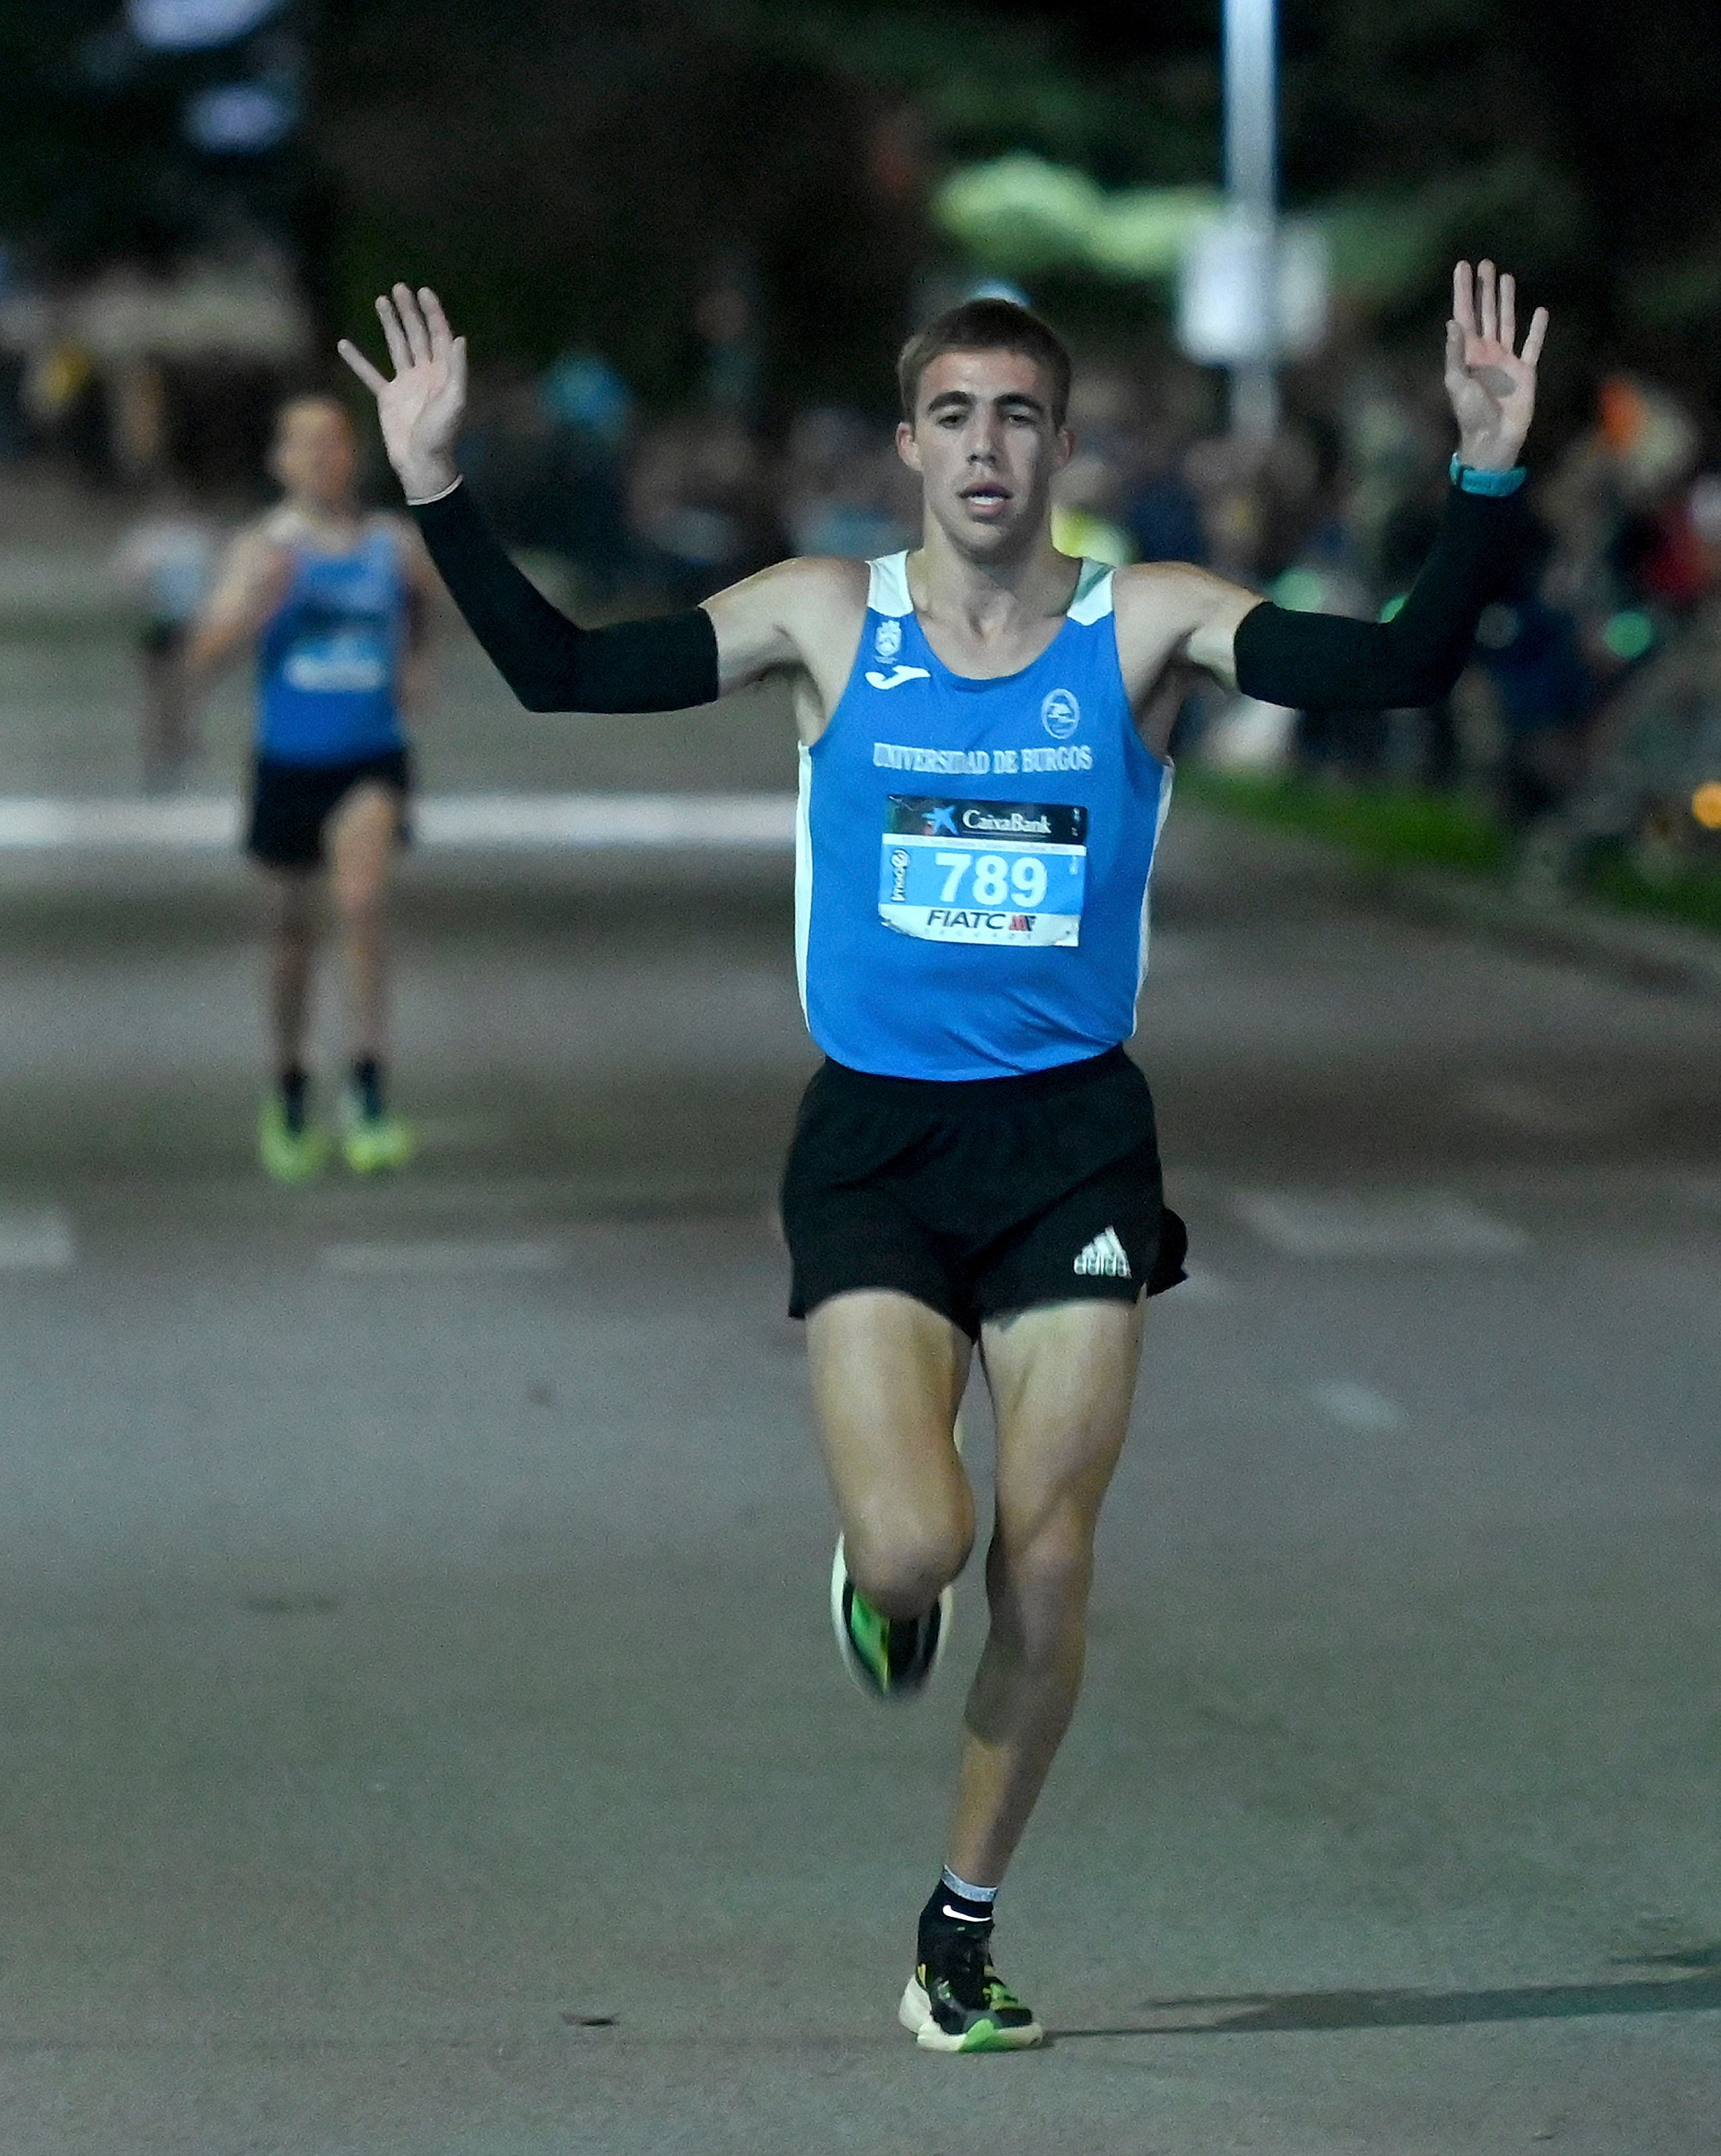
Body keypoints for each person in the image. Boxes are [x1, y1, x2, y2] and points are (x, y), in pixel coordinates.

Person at [340, 263, 1546, 2052]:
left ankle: (956, 1934)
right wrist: (436, 485)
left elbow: (1392, 665)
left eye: (1021, 416)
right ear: (908, 444)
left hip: (1070, 1144)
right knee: (923, 1549)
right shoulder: (828, 617)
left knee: (1046, 1567)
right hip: (878, 1147)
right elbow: (565, 671)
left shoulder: (1141, 626)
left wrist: (1485, 478)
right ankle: (876, 1578)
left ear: (1065, 445)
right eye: (955, 416)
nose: (988, 447)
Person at [187, 393, 440, 1182]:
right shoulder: (262, 547)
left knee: (361, 900)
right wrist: (264, 602)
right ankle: (289, 1082)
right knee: (290, 938)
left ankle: (367, 1086)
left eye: (334, 442)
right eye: (305, 445)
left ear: (352, 454)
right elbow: (202, 657)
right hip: (288, 762)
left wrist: (414, 665)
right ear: (281, 462)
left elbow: (431, 605)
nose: (322, 457)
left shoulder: (390, 544)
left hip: (370, 756)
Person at [112, 486, 218, 792]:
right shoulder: (151, 541)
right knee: (161, 695)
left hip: (187, 625)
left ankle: (178, 749)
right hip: (162, 626)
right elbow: (127, 583)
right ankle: (163, 752)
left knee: (181, 694)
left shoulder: (193, 539)